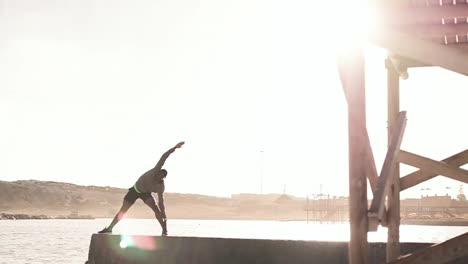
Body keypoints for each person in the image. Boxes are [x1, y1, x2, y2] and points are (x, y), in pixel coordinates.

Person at [98, 141, 185, 236]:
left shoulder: (160, 186)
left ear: (163, 178)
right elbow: (164, 157)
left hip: (146, 194)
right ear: (158, 172)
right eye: (159, 174)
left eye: (161, 177)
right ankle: (109, 229)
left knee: (156, 209)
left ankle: (164, 231)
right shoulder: (155, 170)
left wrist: (163, 213)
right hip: (135, 190)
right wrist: (174, 148)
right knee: (123, 210)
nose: (158, 177)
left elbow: (161, 202)